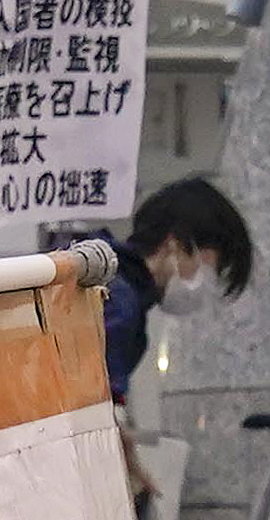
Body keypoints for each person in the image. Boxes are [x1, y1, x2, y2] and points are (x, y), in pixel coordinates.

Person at [103, 174, 255, 407]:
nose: (210, 279)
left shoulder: (112, 284)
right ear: (175, 242)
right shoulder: (119, 305)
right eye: (214, 264)